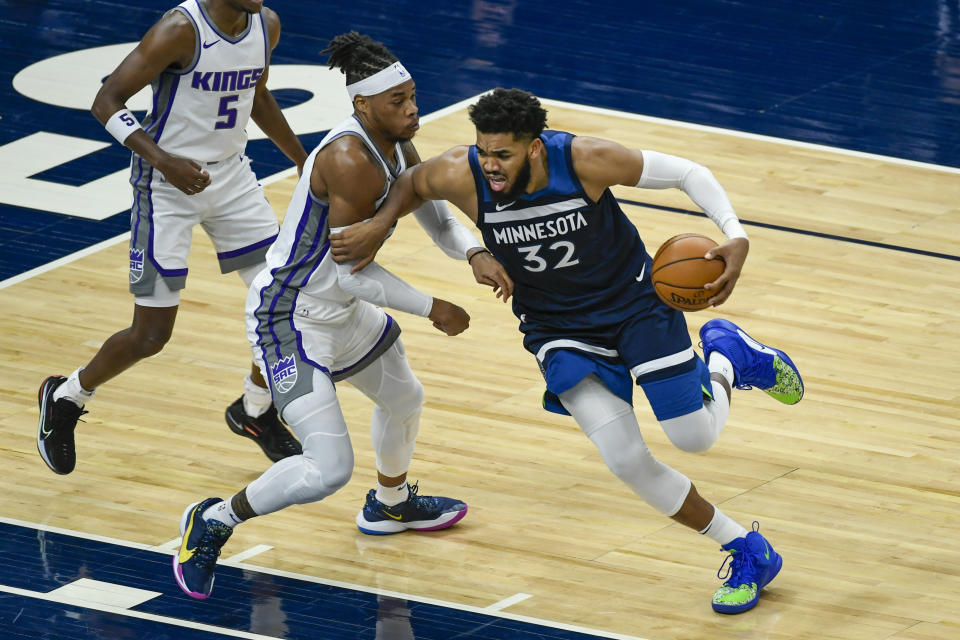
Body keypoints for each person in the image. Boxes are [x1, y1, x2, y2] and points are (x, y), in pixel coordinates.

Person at [328, 88, 804, 615]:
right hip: (557, 327)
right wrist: (444, 242)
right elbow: (412, 185)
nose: (489, 165)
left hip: (634, 306)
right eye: (483, 151)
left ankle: (728, 358)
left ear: (534, 147)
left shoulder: (585, 160)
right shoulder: (461, 172)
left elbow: (688, 173)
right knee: (624, 459)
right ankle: (744, 547)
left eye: (502, 154)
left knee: (694, 438)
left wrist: (735, 234)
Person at [173, 32, 512, 600]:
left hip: (340, 306)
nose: (413, 111)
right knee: (327, 470)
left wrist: (474, 252)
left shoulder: (398, 144)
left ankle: (391, 505)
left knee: (405, 399)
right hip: (290, 316)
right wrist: (435, 308)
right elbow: (351, 272)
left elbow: (434, 215)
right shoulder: (351, 159)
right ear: (362, 105)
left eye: (413, 97)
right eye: (398, 102)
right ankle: (212, 520)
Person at [36, 0, 309, 474]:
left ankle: (254, 410)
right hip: (166, 186)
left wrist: (303, 160)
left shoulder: (266, 23)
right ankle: (67, 395)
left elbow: (257, 95)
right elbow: (106, 102)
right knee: (151, 335)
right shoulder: (180, 29)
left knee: (292, 302)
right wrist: (164, 161)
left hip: (233, 181)